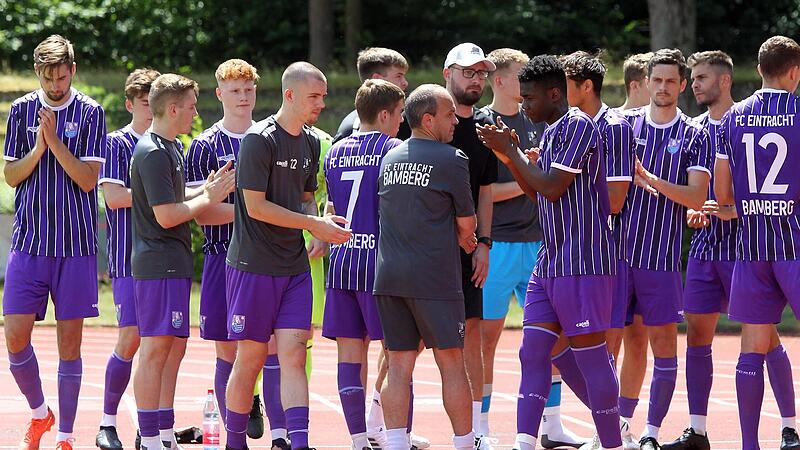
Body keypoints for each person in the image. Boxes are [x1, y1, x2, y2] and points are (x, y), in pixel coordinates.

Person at [476, 54, 621, 450]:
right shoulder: (551, 132)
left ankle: (612, 442)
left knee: (592, 358)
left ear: (555, 94)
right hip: (551, 261)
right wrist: (510, 155)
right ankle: (524, 443)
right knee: (533, 352)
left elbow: (553, 186)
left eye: (529, 97)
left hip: (585, 262)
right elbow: (535, 189)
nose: (523, 105)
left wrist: (515, 154)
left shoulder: (577, 126)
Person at [223, 62, 351, 450]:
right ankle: (234, 442)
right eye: (314, 96)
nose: (322, 104)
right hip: (254, 267)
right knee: (252, 357)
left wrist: (321, 221)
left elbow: (306, 198)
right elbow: (256, 206)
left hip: (294, 267)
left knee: (294, 354)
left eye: (324, 96)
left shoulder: (312, 142)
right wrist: (311, 225)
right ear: (290, 95)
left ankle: (299, 443)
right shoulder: (259, 140)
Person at [3, 34, 106, 450]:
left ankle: (64, 436)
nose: (55, 86)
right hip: (29, 243)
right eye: (48, 79)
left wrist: (56, 143)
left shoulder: (92, 112)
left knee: (70, 345)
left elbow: (87, 180)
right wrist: (38, 147)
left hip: (75, 246)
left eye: (61, 78)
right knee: (14, 338)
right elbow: (11, 176)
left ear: (72, 71)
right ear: (37, 74)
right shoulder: (21, 109)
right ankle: (39, 413)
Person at [130, 73, 235, 450]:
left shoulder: (169, 146)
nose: (195, 113)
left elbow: (179, 195)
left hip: (170, 262)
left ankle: (161, 430)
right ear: (172, 109)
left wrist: (207, 188)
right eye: (190, 107)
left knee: (173, 348)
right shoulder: (155, 152)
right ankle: (149, 435)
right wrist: (209, 197)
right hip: (157, 263)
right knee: (156, 349)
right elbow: (167, 214)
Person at [374, 83, 478, 450]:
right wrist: (467, 238)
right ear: (428, 119)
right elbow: (468, 225)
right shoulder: (452, 159)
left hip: (389, 276)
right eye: (450, 115)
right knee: (452, 363)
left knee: (398, 364)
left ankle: (397, 442)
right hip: (434, 278)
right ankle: (465, 442)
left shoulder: (389, 159)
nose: (456, 122)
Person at [619, 49, 713, 450]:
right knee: (611, 347)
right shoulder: (624, 126)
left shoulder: (695, 134)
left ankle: (651, 434)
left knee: (663, 348)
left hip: (661, 260)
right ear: (646, 81)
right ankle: (614, 427)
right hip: (618, 257)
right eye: (656, 80)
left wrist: (651, 180)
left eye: (670, 81)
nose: (662, 87)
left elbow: (696, 197)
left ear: (682, 85)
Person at [714, 35, 800, 450]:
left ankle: (750, 445)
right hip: (795, 245)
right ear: (794, 72)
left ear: (760, 68)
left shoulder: (734, 117)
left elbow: (724, 195)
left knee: (752, 347)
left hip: (752, 247)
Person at [323, 78, 405, 450]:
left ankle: (358, 440)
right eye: (400, 113)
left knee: (349, 357)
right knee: (399, 355)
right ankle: (396, 436)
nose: (402, 121)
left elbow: (333, 208)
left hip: (342, 262)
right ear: (385, 114)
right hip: (380, 265)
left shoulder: (335, 152)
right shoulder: (396, 149)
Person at [561, 50, 636, 450]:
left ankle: (610, 430)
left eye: (566, 84)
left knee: (604, 346)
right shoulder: (565, 125)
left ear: (585, 86)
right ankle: (611, 424)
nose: (558, 91)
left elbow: (617, 198)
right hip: (564, 254)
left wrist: (562, 188)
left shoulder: (616, 127)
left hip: (602, 254)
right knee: (552, 344)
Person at [184, 58, 259, 425]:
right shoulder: (202, 146)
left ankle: (276, 427)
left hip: (267, 258)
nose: (243, 97)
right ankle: (234, 430)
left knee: (270, 348)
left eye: (248, 89)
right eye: (234, 91)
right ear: (219, 94)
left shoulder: (272, 137)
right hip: (221, 255)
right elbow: (202, 213)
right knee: (227, 349)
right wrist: (255, 210)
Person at [96, 67, 161, 450]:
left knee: (162, 343)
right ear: (130, 104)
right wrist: (161, 195)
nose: (149, 111)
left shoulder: (171, 143)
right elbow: (115, 198)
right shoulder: (117, 143)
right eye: (142, 104)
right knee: (132, 337)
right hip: (129, 258)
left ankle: (149, 427)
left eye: (154, 103)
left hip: (165, 258)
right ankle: (107, 423)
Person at [611, 53, 652, 443]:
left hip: (651, 255)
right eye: (653, 79)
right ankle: (603, 422)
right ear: (637, 84)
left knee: (639, 341)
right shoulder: (611, 125)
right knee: (608, 342)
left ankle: (623, 422)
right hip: (610, 253)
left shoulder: (669, 128)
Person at [333, 47, 409, 143]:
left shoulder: (347, 124)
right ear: (377, 79)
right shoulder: (404, 122)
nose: (405, 83)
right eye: (398, 76)